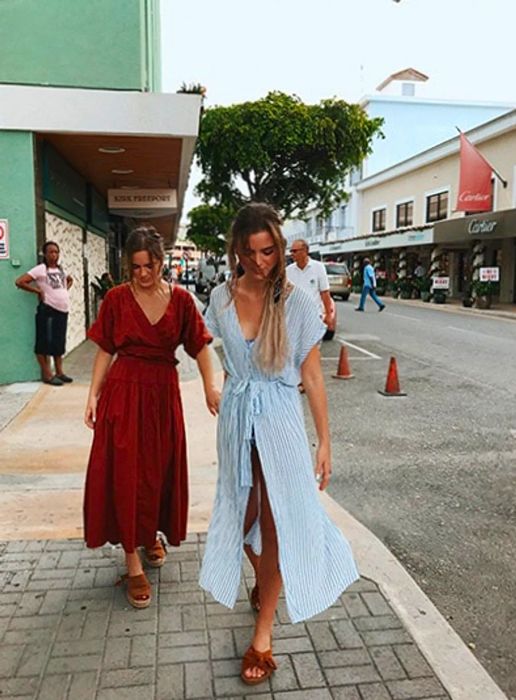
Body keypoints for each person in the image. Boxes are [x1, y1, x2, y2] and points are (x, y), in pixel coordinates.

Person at [199, 203, 358, 686]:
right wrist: (213, 382)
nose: (260, 261)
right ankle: (270, 580)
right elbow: (206, 345)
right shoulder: (222, 297)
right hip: (237, 419)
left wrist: (325, 441)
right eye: (249, 252)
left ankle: (263, 633)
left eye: (268, 251)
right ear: (236, 250)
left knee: (276, 520)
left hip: (282, 423)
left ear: (281, 246)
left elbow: (312, 374)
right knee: (240, 516)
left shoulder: (298, 302)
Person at [83, 225, 220, 609]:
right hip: (124, 393)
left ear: (162, 261)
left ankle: (149, 536)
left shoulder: (181, 301)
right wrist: (93, 395)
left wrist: (211, 386)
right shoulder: (115, 299)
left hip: (162, 396)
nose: (142, 274)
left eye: (149, 265)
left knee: (156, 471)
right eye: (135, 266)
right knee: (126, 473)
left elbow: (201, 347)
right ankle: (132, 560)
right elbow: (104, 351)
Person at [15, 241, 74, 386]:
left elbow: (63, 284)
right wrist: (38, 291)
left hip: (62, 311)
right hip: (48, 310)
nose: (54, 255)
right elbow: (20, 281)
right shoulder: (40, 269)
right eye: (51, 252)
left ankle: (59, 372)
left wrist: (67, 287)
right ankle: (47, 374)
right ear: (45, 254)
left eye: (56, 252)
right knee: (44, 342)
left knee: (58, 343)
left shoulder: (60, 269)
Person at [286, 239, 332, 321]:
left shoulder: (318, 267)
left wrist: (328, 315)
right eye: (291, 251)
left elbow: (324, 293)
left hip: (313, 316)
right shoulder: (288, 271)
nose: (292, 254)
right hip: (294, 318)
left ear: (305, 251)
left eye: (294, 251)